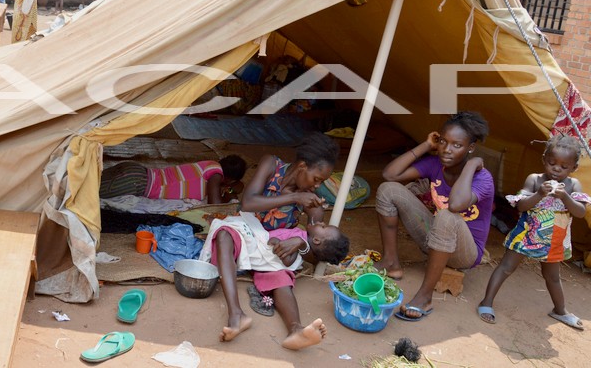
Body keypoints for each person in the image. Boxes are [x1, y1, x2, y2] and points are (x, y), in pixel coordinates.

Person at [373, 111, 494, 321]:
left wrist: (472, 164)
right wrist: (426, 146)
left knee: (447, 215)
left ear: (471, 147)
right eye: (444, 142)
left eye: (457, 145)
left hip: (464, 253)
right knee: (388, 189)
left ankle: (424, 297)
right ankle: (391, 262)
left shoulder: (483, 178)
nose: (447, 150)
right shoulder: (435, 163)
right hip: (435, 239)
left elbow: (456, 205)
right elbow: (390, 175)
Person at [478, 135, 589, 329]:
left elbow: (579, 212)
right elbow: (520, 206)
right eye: (552, 163)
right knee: (505, 267)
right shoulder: (535, 180)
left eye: (564, 167)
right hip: (526, 235)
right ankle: (486, 302)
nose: (556, 169)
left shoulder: (573, 185)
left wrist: (565, 197)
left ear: (574, 168)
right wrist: (539, 194)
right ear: (544, 160)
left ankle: (560, 310)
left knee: (553, 277)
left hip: (554, 240)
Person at [200, 212, 349, 349]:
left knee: (282, 281)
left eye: (323, 226)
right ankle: (236, 314)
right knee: (225, 233)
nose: (320, 222)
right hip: (253, 248)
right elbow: (313, 217)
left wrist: (296, 243)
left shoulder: (302, 239)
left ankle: (296, 329)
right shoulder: (303, 235)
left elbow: (296, 257)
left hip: (268, 264)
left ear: (316, 240)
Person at [239, 133, 340, 231]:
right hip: (242, 236)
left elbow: (315, 241)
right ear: (302, 166)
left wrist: (317, 212)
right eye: (316, 179)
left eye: (322, 181)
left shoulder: (308, 200)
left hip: (269, 246)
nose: (318, 186)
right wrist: (295, 197)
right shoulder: (271, 165)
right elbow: (247, 203)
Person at [99, 155, 247, 204]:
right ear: (229, 179)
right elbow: (215, 206)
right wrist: (230, 194)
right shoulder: (215, 173)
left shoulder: (209, 166)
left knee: (85, 184)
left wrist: (231, 188)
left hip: (136, 173)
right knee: (87, 194)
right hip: (136, 182)